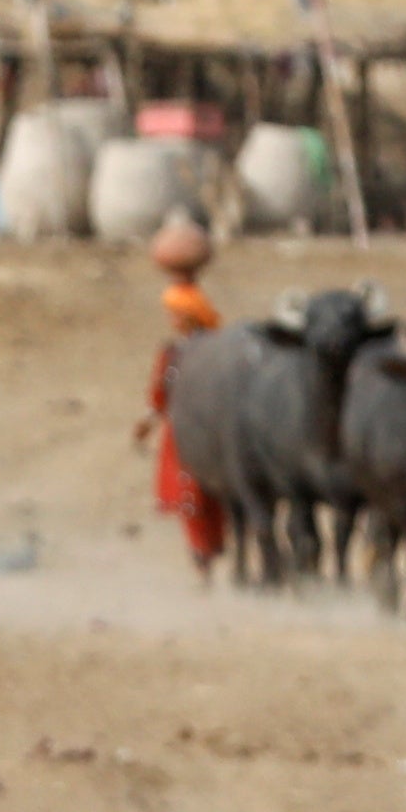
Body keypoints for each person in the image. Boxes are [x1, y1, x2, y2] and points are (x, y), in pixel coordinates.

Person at [138, 214, 231, 573]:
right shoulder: (209, 349)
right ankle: (207, 558)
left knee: (194, 497)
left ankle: (206, 560)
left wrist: (149, 419)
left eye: (176, 315)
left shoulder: (180, 354)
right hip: (207, 430)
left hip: (189, 434)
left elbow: (165, 391)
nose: (172, 320)